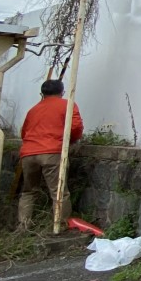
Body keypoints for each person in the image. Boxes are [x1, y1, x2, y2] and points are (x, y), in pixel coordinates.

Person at [17, 79, 84, 230]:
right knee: (58, 191)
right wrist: (69, 141)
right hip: (52, 151)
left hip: (28, 153)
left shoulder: (33, 110)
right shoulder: (67, 105)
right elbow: (76, 127)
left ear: (42, 93)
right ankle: (59, 225)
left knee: (28, 191)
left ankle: (23, 225)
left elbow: (24, 132)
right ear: (62, 92)